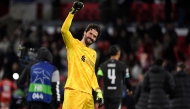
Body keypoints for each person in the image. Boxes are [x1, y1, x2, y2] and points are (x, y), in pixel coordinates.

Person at [61, 1, 103, 109]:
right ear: (85, 32)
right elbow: (64, 31)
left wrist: (98, 91)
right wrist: (72, 12)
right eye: (90, 34)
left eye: (94, 36)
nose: (92, 37)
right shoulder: (73, 44)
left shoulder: (93, 53)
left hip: (88, 96)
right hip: (74, 91)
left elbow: (92, 73)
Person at [96, 45, 132, 109]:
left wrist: (97, 93)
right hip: (117, 95)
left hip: (106, 95)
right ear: (118, 53)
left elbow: (97, 80)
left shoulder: (102, 66)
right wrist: (129, 90)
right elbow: (127, 81)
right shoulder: (123, 66)